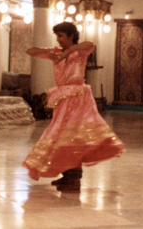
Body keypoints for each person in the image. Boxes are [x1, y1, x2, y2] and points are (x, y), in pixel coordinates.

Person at [22, 22, 125, 191]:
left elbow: (90, 44)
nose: (59, 40)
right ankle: (68, 174)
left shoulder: (80, 51)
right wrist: (51, 52)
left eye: (61, 36)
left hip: (77, 99)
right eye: (57, 36)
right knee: (64, 135)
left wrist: (69, 51)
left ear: (71, 36)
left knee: (73, 134)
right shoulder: (56, 53)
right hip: (64, 99)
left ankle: (74, 177)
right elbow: (30, 51)